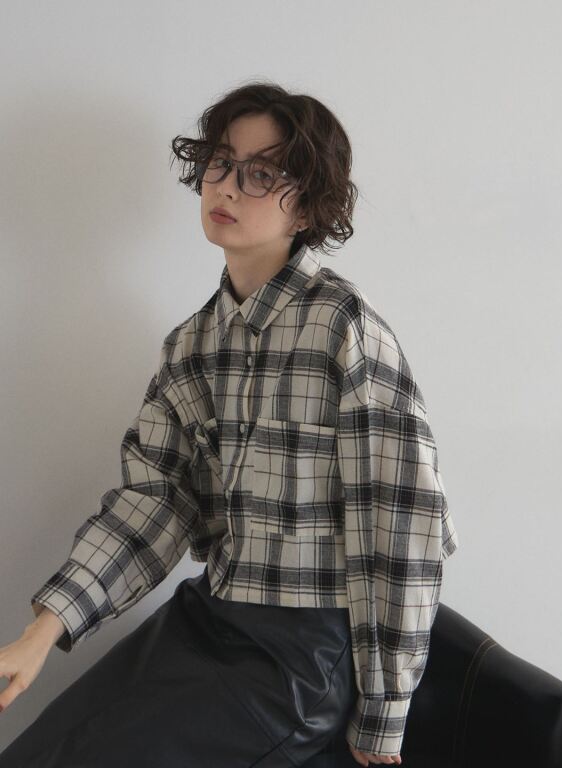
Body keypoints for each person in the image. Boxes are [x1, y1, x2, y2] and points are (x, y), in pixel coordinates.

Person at [0, 81, 459, 767]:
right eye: (220, 162)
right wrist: (41, 634)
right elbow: (153, 503)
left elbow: (401, 525)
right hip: (209, 616)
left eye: (261, 174)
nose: (228, 186)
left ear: (308, 203)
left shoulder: (344, 331)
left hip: (302, 658)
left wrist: (383, 720)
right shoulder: (193, 345)